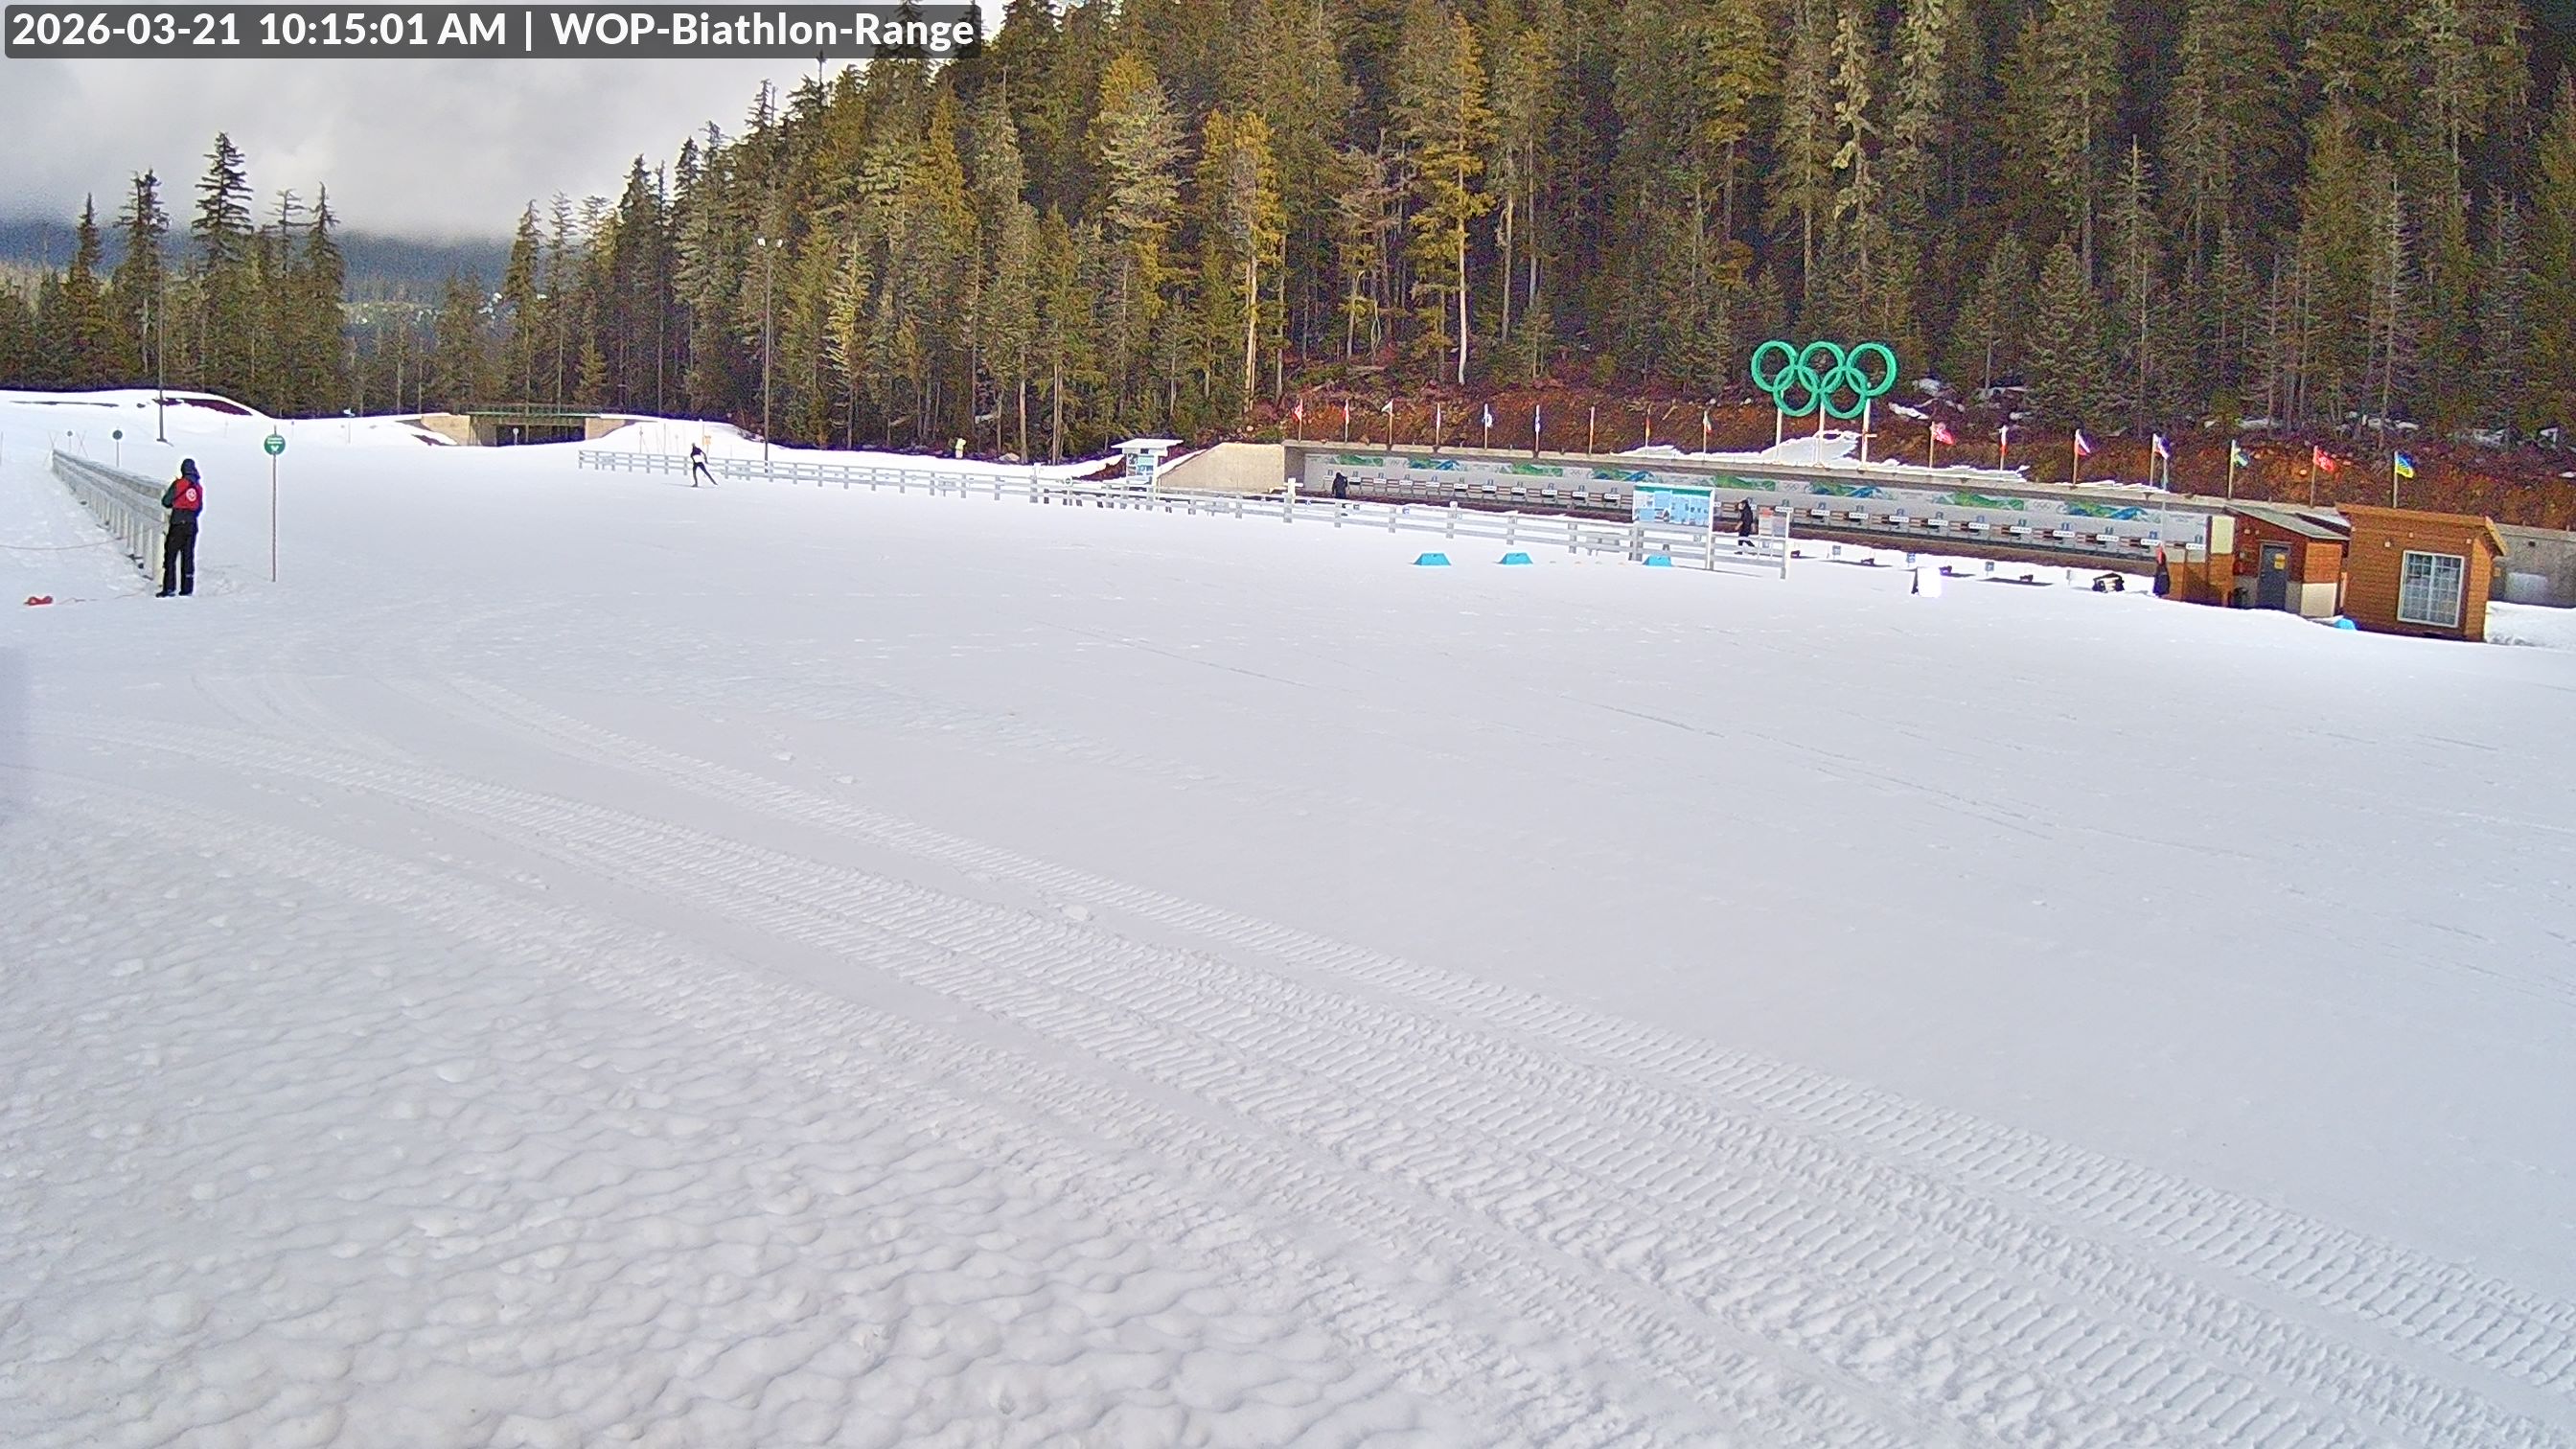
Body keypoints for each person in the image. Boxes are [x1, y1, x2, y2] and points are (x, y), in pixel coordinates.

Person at [157, 458, 203, 597]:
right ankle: (187, 588)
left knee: (170, 556)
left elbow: (166, 501)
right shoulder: (198, 487)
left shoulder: (179, 484)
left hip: (177, 522)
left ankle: (169, 587)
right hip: (192, 523)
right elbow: (199, 507)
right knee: (188, 556)